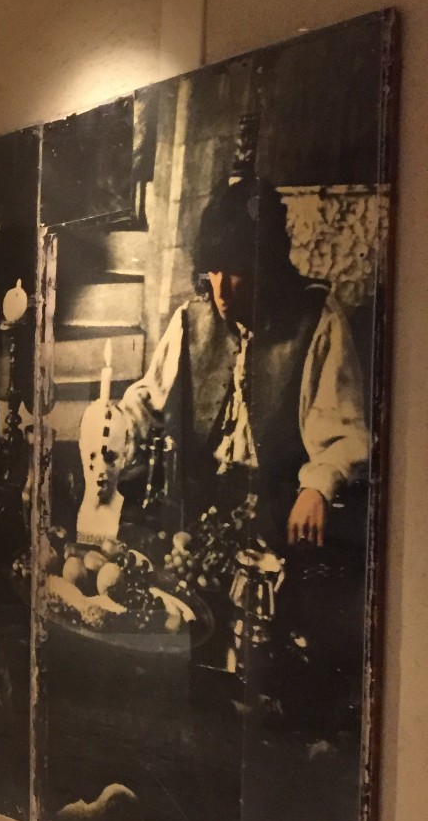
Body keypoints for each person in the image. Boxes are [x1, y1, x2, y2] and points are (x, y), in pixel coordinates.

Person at [119, 176, 368, 548]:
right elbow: (146, 405)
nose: (219, 289)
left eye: (235, 271)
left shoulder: (317, 322)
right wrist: (115, 425)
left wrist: (317, 488)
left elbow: (344, 437)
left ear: (264, 267)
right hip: (189, 522)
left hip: (274, 524)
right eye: (213, 270)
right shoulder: (191, 320)